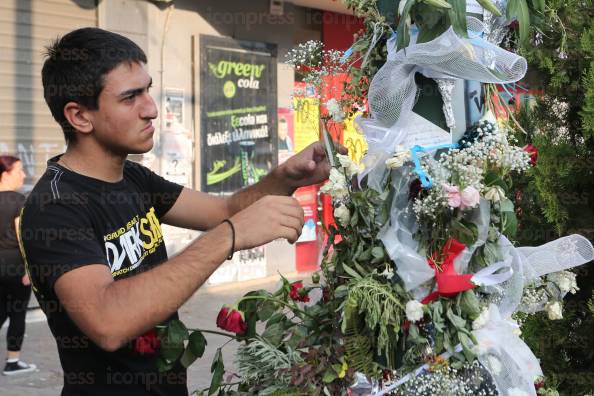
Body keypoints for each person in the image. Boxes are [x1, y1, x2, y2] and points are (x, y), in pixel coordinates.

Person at [19, 27, 341, 395]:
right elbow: (108, 321)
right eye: (130, 98)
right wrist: (229, 236)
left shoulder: (133, 177)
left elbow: (225, 209)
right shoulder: (54, 207)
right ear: (79, 116)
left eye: (148, 89)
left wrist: (287, 175)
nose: (151, 109)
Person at [0, 155, 36, 375]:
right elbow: (24, 237)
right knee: (17, 313)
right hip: (15, 267)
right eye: (19, 170)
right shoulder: (19, 201)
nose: (23, 175)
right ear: (5, 174)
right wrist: (29, 269)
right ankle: (13, 362)